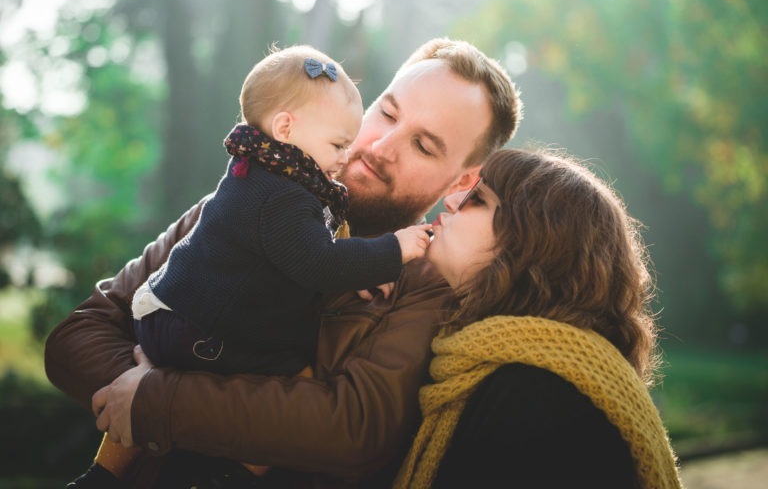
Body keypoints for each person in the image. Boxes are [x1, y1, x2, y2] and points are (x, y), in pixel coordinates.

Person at [45, 37, 523, 488]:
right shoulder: (243, 201)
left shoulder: (426, 287)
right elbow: (76, 338)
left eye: (423, 145)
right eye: (388, 113)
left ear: (462, 181)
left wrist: (156, 397)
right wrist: (173, 396)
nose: (379, 147)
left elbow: (352, 433)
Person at [394, 148, 683, 488]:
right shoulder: (517, 368)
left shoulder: (540, 398)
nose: (454, 200)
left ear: (529, 243)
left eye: (480, 199)